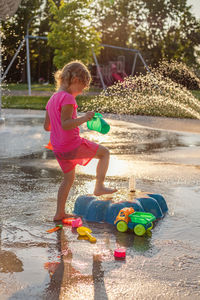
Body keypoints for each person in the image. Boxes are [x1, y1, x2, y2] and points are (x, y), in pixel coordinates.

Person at [44, 60, 117, 221]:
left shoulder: (52, 99)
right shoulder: (68, 98)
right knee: (105, 153)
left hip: (58, 148)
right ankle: (99, 187)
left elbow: (47, 126)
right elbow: (66, 124)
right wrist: (83, 118)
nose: (82, 92)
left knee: (68, 179)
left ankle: (59, 213)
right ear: (76, 80)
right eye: (82, 88)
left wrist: (61, 123)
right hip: (71, 145)